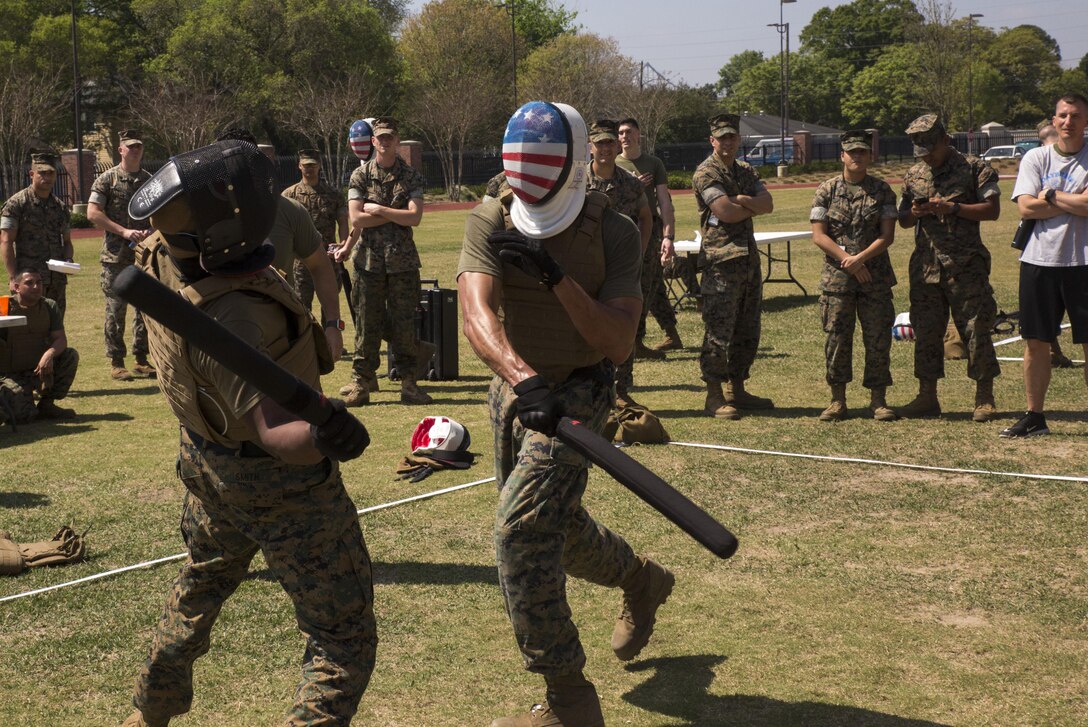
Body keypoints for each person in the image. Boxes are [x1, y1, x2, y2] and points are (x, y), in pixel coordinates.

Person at [119, 139, 375, 727]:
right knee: (343, 637)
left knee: (200, 586)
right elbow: (273, 431)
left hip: (208, 463)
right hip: (275, 482)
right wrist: (326, 433)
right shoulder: (233, 316)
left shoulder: (167, 256)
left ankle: (148, 712)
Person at [458, 101, 674, 727]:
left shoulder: (615, 232)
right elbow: (477, 314)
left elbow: (617, 341)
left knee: (521, 533)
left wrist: (556, 278)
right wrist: (523, 381)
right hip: (515, 391)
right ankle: (640, 577)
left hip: (580, 392)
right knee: (555, 525)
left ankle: (568, 701)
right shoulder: (493, 215)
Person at [897, 113, 1002, 422]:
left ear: (944, 139)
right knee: (927, 333)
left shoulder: (974, 168)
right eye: (921, 152)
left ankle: (984, 397)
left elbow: (992, 210)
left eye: (930, 149)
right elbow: (903, 219)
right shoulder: (915, 174)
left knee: (976, 329)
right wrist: (915, 212)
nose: (926, 157)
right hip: (926, 268)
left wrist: (953, 208)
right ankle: (927, 397)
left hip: (965, 265)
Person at [215, 129, 346, 362]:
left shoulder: (288, 209)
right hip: (221, 338)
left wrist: (333, 325)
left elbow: (320, 265)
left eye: (244, 161)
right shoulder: (198, 215)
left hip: (279, 339)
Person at [1002, 94, 1088, 437]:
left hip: (1083, 261)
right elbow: (1025, 208)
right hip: (1039, 261)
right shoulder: (1035, 158)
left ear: (1086, 122)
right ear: (1053, 121)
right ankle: (1035, 416)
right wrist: (1074, 202)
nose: (1068, 121)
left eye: (1076, 116)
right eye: (1062, 116)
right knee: (1036, 341)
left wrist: (1050, 195)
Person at [336, 116, 431, 406]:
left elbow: (414, 218)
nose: (386, 141)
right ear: (374, 141)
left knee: (404, 325)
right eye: (381, 137)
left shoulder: (412, 176)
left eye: (391, 137)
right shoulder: (360, 176)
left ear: (397, 141)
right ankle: (361, 383)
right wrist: (394, 213)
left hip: (402, 264)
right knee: (367, 324)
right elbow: (355, 217)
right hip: (368, 263)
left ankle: (409, 384)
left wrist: (378, 209)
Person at [810, 130, 899, 421]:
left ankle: (878, 400)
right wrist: (847, 260)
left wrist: (860, 259)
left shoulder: (882, 190)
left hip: (874, 278)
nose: (857, 157)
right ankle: (837, 400)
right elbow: (819, 235)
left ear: (869, 156)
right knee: (836, 338)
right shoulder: (827, 190)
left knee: (877, 339)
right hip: (837, 280)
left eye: (862, 152)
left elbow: (887, 236)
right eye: (852, 152)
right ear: (842, 156)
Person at [691, 113, 775, 420]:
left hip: (748, 261)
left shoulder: (746, 169)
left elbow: (768, 204)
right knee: (718, 329)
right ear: (712, 141)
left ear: (738, 140)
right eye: (721, 137)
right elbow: (724, 211)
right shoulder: (705, 173)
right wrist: (747, 203)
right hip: (720, 263)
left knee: (747, 327)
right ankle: (713, 394)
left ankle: (736, 389)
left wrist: (744, 200)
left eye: (732, 137)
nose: (727, 142)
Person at [586, 118, 653, 403]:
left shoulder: (629, 183)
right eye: (600, 143)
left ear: (617, 145)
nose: (605, 148)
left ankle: (621, 390)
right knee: (587, 326)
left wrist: (638, 251)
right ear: (590, 147)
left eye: (610, 142)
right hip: (587, 266)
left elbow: (647, 217)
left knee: (624, 328)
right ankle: (589, 390)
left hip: (620, 270)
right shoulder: (577, 183)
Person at [88, 129, 155, 381]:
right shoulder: (107, 179)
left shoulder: (150, 181)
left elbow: (161, 214)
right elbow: (93, 213)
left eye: (139, 146)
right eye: (130, 146)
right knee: (116, 310)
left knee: (145, 310)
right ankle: (117, 362)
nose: (135, 150)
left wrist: (152, 229)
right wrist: (124, 231)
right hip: (115, 257)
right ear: (120, 150)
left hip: (143, 256)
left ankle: (141, 359)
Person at [617, 116, 682, 352]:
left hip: (649, 228)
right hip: (623, 228)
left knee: (651, 282)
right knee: (645, 283)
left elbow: (664, 202)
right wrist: (632, 186)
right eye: (621, 133)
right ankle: (641, 339)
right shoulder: (613, 164)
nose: (625, 137)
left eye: (629, 132)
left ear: (638, 134)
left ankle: (650, 337)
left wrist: (668, 235)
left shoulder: (653, 164)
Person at [0, 268, 79, 422]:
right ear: (16, 287)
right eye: (29, 283)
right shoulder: (5, 308)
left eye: (39, 282)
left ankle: (47, 405)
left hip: (38, 369)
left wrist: (49, 354)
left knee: (69, 355)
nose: (36, 287)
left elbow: (60, 339)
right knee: (25, 417)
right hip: (10, 372)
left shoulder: (49, 306)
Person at [1, 151, 73, 319]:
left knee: (55, 325)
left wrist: (68, 261)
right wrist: (13, 277)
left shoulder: (60, 207)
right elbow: (6, 241)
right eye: (42, 173)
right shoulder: (16, 204)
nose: (47, 177)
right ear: (32, 174)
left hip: (56, 281)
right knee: (29, 328)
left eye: (51, 173)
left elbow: (67, 242)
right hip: (29, 281)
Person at [282, 148, 351, 312]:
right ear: (299, 166)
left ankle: (328, 337)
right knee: (301, 309)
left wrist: (343, 244)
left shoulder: (334, 195)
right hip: (300, 263)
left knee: (330, 310)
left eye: (312, 165)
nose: (309, 168)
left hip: (328, 261)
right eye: (306, 165)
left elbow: (343, 222)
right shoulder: (289, 195)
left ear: (319, 166)